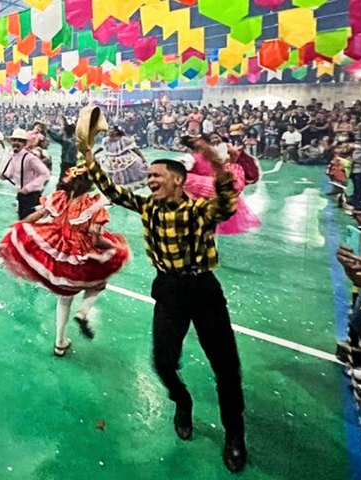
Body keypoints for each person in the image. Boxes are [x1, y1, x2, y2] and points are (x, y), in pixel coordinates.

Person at [82, 106, 247, 473]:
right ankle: (182, 400)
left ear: (176, 180)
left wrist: (211, 156)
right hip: (168, 292)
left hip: (203, 291)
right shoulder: (147, 208)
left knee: (226, 367)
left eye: (156, 175)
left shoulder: (200, 212)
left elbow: (227, 200)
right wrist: (87, 153)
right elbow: (109, 187)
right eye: (149, 176)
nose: (149, 179)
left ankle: (235, 434)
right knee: (163, 362)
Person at [0, 165, 130, 356]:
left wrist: (20, 225)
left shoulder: (59, 197)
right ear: (90, 184)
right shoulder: (93, 206)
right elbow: (95, 238)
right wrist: (115, 247)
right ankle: (83, 311)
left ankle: (60, 342)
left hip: (60, 247)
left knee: (65, 297)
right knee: (98, 282)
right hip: (83, 251)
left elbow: (38, 215)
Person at [0, 128, 51, 220]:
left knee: (27, 223)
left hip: (32, 196)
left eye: (20, 141)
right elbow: (11, 173)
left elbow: (45, 174)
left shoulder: (30, 158)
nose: (16, 143)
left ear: (24, 143)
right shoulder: (14, 156)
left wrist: (28, 188)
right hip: (21, 195)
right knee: (22, 221)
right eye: (14, 140)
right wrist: (5, 175)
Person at [98, 126, 149, 190]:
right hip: (112, 159)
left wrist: (142, 158)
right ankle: (119, 186)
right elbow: (102, 148)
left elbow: (135, 149)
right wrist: (95, 152)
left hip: (125, 158)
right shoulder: (106, 140)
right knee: (116, 173)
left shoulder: (124, 139)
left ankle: (132, 183)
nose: (108, 132)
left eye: (111, 131)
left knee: (131, 170)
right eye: (108, 131)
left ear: (116, 132)